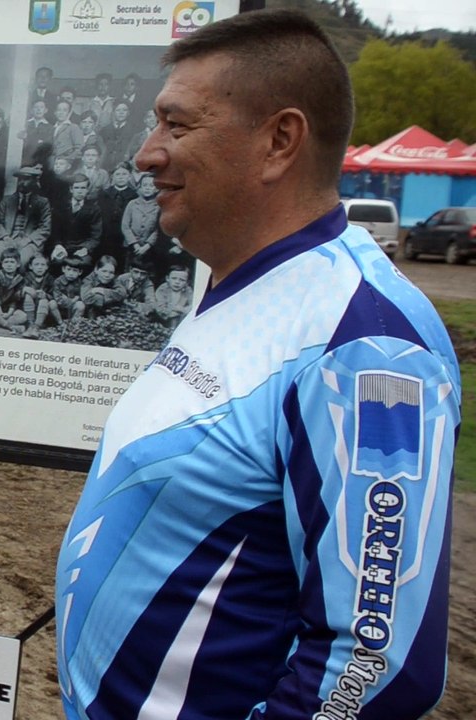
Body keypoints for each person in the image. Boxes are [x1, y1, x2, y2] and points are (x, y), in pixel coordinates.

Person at [55, 10, 461, 720]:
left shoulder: (367, 344)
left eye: (177, 127)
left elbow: (377, 663)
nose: (147, 153)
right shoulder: (236, 277)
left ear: (280, 141)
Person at [0, 166, 52, 268]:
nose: (21, 182)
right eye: (20, 179)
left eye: (26, 179)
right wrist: (6, 237)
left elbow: (45, 228)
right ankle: (1, 280)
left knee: (23, 260)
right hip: (8, 238)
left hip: (30, 241)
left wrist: (27, 240)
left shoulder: (42, 202)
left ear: (33, 181)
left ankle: (18, 283)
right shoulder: (7, 200)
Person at [150, 262, 192, 327]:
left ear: (187, 282)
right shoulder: (162, 289)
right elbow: (161, 309)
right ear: (167, 278)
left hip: (180, 320)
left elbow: (193, 305)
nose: (177, 282)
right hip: (162, 320)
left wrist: (182, 310)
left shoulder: (187, 290)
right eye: (174, 278)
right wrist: (179, 309)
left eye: (182, 280)